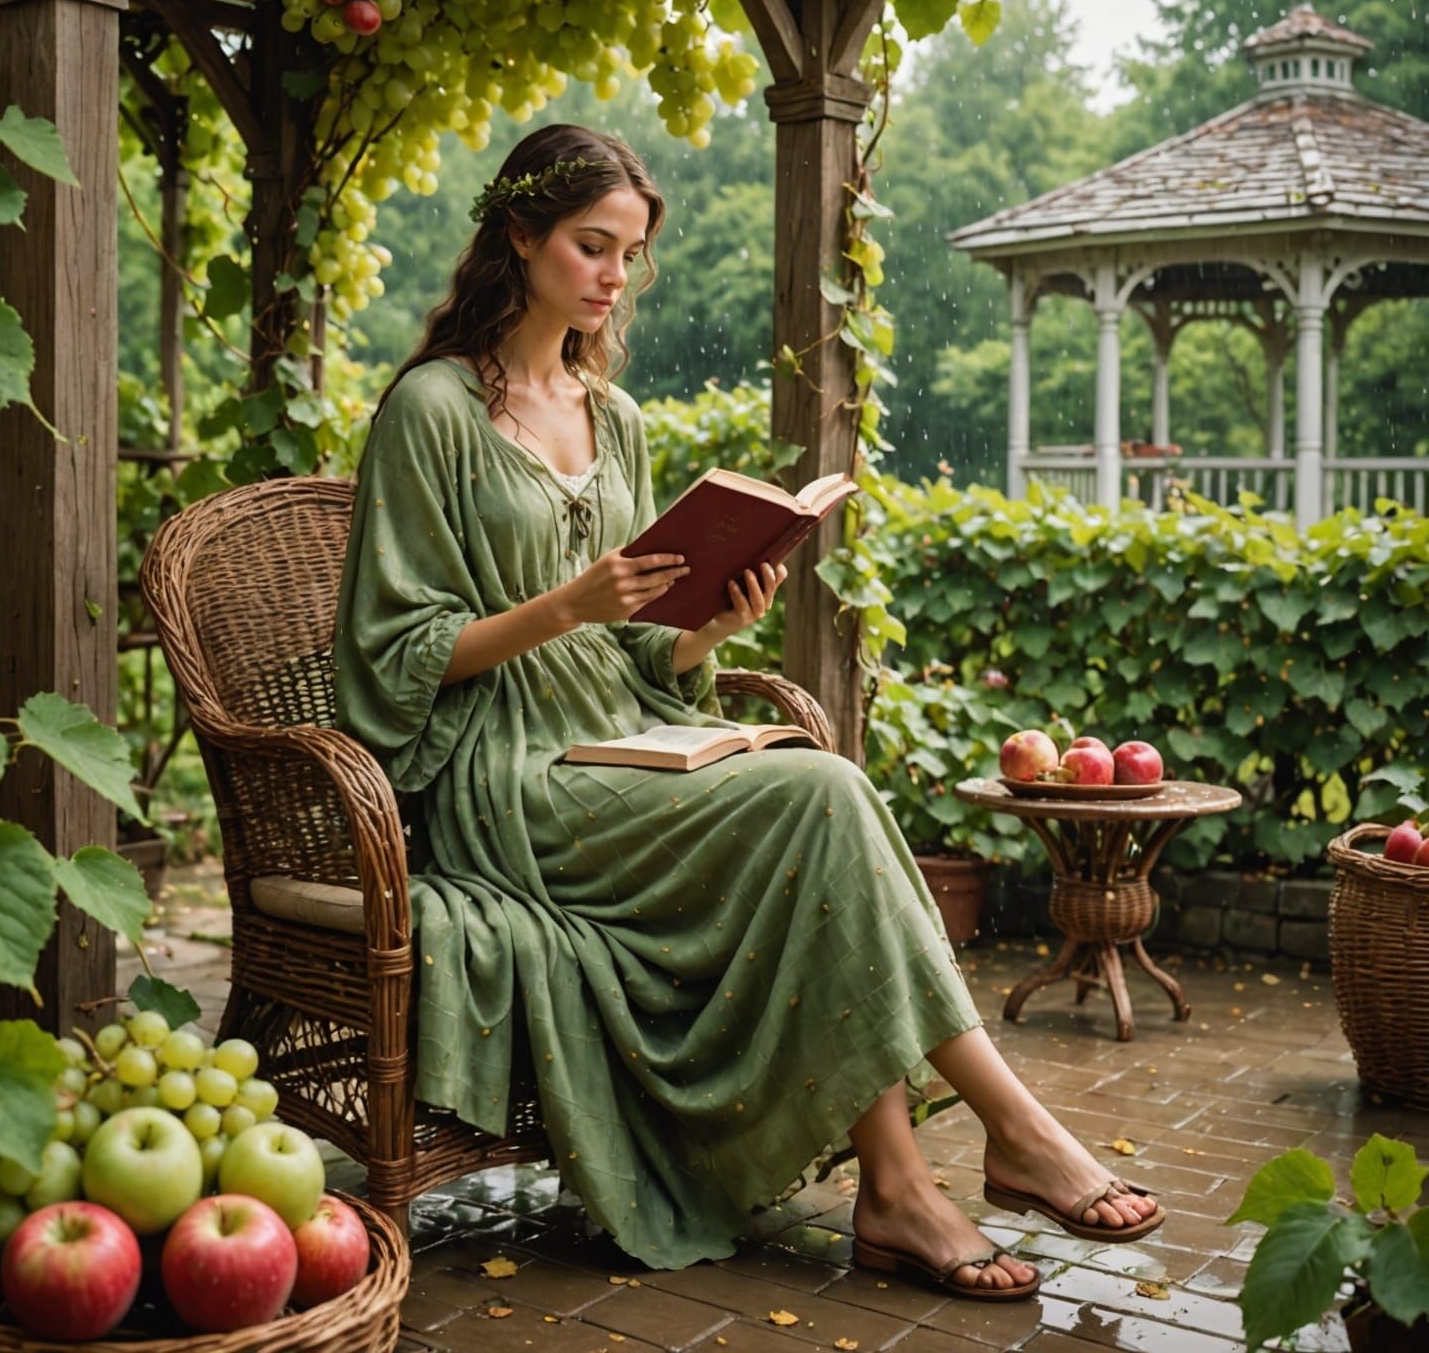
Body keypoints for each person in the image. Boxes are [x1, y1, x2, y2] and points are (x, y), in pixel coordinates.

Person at [333, 124, 1161, 1296]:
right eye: (592, 245)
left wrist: (708, 632)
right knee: (823, 795)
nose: (615, 276)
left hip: (623, 746)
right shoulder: (432, 411)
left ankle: (903, 1185)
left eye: (631, 254)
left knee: (823, 803)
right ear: (518, 235)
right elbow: (390, 657)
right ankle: (1008, 1134)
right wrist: (566, 607)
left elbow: (638, 645)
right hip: (508, 773)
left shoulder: (614, 416)